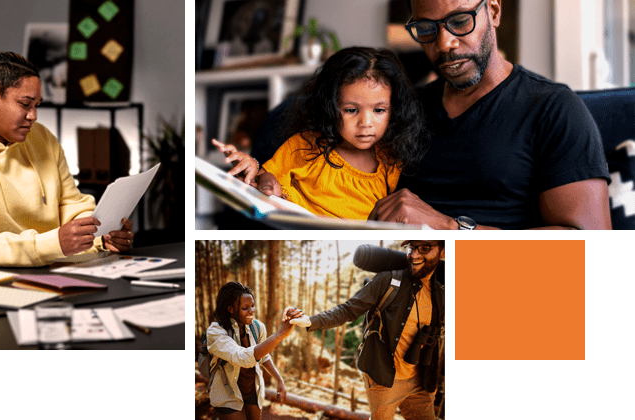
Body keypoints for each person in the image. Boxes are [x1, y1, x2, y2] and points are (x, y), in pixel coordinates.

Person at [368, 0, 612, 229]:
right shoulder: (402, 110)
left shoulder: (555, 109)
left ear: (493, 12)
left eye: (460, 21)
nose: (444, 44)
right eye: (425, 28)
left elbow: (594, 256)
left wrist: (449, 229)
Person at [0, 52, 134, 269]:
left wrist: (101, 238)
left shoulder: (41, 138)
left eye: (37, 105)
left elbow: (71, 205)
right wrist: (53, 244)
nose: (33, 115)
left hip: (46, 271)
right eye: (25, 104)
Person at [212, 47, 426, 220]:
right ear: (330, 107)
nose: (366, 123)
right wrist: (255, 172)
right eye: (351, 110)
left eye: (379, 110)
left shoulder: (391, 160)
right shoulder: (305, 145)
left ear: (394, 110)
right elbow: (269, 184)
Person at [290, 240, 444, 420]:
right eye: (411, 248)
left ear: (442, 252)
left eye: (424, 248)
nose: (414, 255)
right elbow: (348, 310)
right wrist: (311, 321)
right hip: (384, 379)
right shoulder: (388, 281)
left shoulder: (440, 294)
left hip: (421, 380)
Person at [206, 281, 303, 420]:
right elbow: (242, 358)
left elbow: (263, 356)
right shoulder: (216, 332)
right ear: (230, 309)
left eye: (252, 305)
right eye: (245, 307)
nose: (251, 310)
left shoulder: (257, 327)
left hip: (252, 390)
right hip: (227, 393)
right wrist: (280, 334)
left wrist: (279, 379)